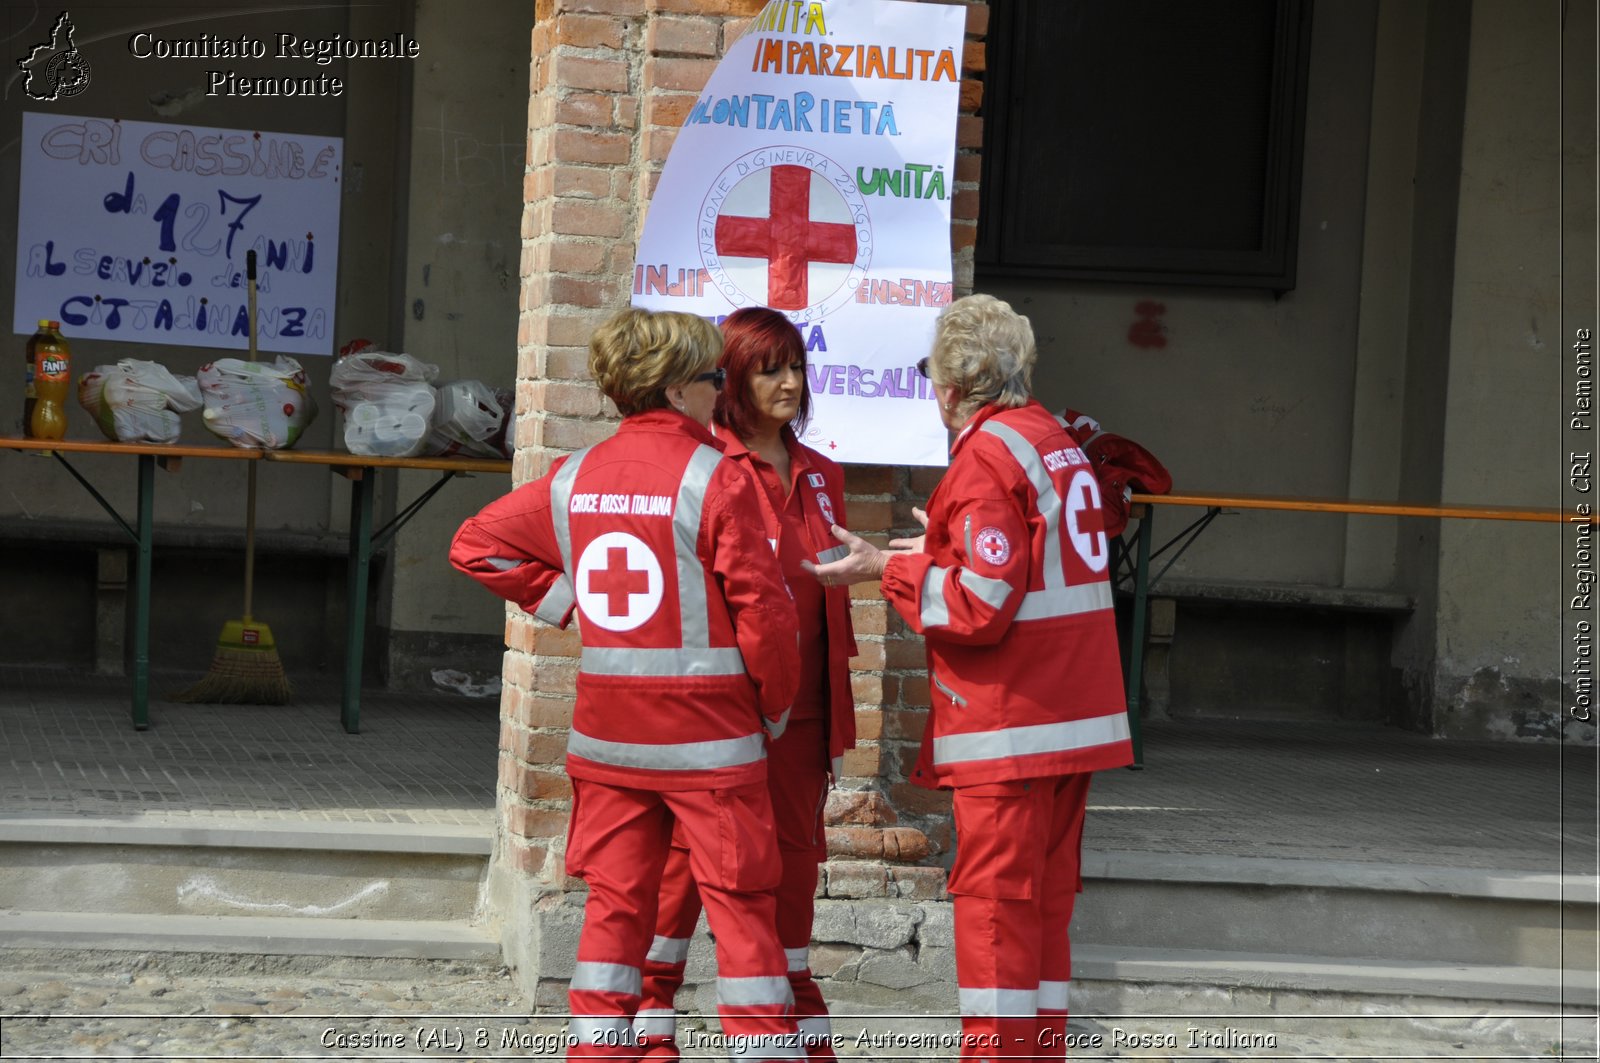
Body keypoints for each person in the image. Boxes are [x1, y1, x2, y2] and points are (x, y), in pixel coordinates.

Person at [450, 307, 806, 1062]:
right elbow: (767, 617)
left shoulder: (573, 479)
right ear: (679, 390)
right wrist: (774, 710)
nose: (722, 391)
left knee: (613, 915)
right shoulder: (719, 477)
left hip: (609, 744)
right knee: (743, 915)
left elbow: (473, 544)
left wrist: (566, 602)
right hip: (711, 746)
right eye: (715, 378)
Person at [806, 294, 1133, 1063]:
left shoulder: (984, 456)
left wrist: (887, 566)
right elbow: (1024, 560)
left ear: (951, 388)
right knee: (1044, 909)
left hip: (1011, 724)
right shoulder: (1048, 439)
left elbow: (980, 604)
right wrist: (945, 542)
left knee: (992, 910)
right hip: (1074, 721)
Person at [634, 307, 856, 1062]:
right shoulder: (707, 466)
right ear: (730, 377)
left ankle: (798, 1020)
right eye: (770, 368)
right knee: (686, 867)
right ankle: (650, 1012)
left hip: (805, 711)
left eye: (797, 366)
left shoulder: (822, 473)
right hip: (721, 711)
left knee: (793, 863)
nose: (790, 382)